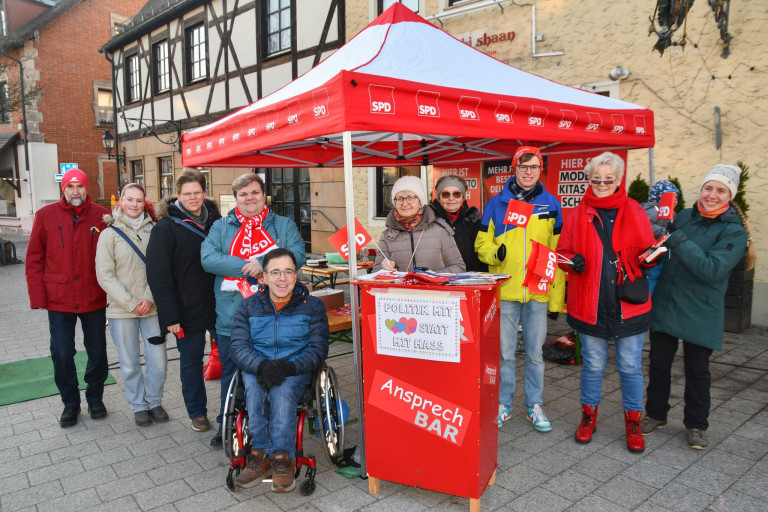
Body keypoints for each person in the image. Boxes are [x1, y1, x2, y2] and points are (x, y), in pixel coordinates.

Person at [643, 164, 752, 450]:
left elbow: (710, 269)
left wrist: (676, 237)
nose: (712, 195)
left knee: (697, 369)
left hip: (701, 309)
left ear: (730, 196)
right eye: (708, 188)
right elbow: (665, 249)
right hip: (668, 301)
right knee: (659, 363)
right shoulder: (683, 216)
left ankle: (696, 424)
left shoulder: (734, 232)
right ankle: (655, 413)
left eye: (720, 190)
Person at [556, 151, 655, 453]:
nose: (601, 184)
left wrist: (650, 257)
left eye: (607, 180)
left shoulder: (635, 210)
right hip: (591, 302)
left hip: (629, 304)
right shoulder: (577, 214)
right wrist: (573, 261)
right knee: (594, 365)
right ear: (588, 179)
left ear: (618, 180)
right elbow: (561, 253)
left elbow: (646, 252)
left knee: (629, 365)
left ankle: (633, 424)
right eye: (595, 179)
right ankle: (588, 418)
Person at [201, 173, 306, 446]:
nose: (250, 198)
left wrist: (264, 261)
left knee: (271, 369)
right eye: (243, 194)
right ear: (236, 198)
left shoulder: (282, 224)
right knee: (231, 371)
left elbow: (297, 253)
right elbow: (208, 258)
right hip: (232, 315)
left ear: (263, 195)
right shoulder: (221, 227)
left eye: (255, 192)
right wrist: (250, 267)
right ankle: (227, 424)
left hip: (277, 313)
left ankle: (272, 423)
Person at [475, 146, 565, 432]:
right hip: (506, 291)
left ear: (541, 171)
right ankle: (504, 403)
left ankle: (534, 404)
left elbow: (557, 252)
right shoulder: (495, 204)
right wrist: (495, 255)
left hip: (537, 292)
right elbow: (481, 245)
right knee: (504, 353)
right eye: (523, 167)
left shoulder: (551, 204)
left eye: (534, 167)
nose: (528, 172)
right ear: (514, 169)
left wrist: (555, 299)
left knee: (536, 354)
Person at [229, 248, 329, 492]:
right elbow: (238, 346)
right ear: (264, 277)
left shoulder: (312, 306)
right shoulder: (249, 306)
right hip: (258, 365)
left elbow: (318, 349)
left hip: (295, 367)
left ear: (296, 275)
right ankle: (259, 453)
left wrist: (290, 366)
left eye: (288, 272)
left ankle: (283, 457)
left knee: (281, 391)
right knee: (252, 386)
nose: (282, 278)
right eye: (275, 272)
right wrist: (261, 366)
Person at [25, 168, 110, 427]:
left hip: (93, 295)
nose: (75, 192)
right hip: (59, 298)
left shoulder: (102, 216)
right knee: (62, 352)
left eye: (80, 187)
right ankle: (70, 403)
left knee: (97, 351)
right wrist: (38, 297)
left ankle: (95, 397)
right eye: (70, 187)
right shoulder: (45, 216)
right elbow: (34, 258)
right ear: (63, 189)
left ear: (87, 189)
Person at [146, 169, 221, 432]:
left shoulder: (216, 220)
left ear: (204, 192)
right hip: (185, 310)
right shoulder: (166, 226)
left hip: (219, 303)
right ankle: (197, 412)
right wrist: (170, 317)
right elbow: (158, 275)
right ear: (177, 195)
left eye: (197, 192)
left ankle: (231, 410)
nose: (193, 198)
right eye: (187, 193)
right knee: (190, 362)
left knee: (233, 357)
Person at [95, 184, 168, 426]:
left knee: (158, 359)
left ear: (144, 202)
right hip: (121, 310)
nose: (134, 204)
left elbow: (162, 268)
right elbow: (105, 275)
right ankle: (138, 405)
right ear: (120, 202)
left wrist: (148, 298)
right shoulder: (109, 234)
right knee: (129, 361)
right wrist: (131, 302)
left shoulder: (156, 230)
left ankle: (154, 401)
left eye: (139, 200)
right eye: (129, 199)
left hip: (153, 306)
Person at [372, 175, 465, 273]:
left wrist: (431, 276)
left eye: (410, 197)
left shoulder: (440, 230)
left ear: (420, 202)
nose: (405, 203)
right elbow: (376, 273)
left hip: (433, 288)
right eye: (399, 198)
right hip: (400, 288)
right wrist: (383, 268)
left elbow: (458, 267)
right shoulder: (387, 236)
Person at [431, 175, 487, 272]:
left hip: (468, 282)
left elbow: (483, 258)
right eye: (445, 194)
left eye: (456, 194)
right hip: (437, 282)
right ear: (439, 197)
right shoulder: (428, 223)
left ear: (463, 197)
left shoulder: (475, 224)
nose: (451, 198)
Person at [641, 180, 680, 294]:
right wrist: (665, 232)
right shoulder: (654, 210)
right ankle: (647, 298)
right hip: (653, 250)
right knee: (652, 275)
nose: (675, 200)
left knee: (656, 275)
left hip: (661, 250)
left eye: (676, 198)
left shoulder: (670, 211)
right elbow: (645, 225)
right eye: (672, 197)